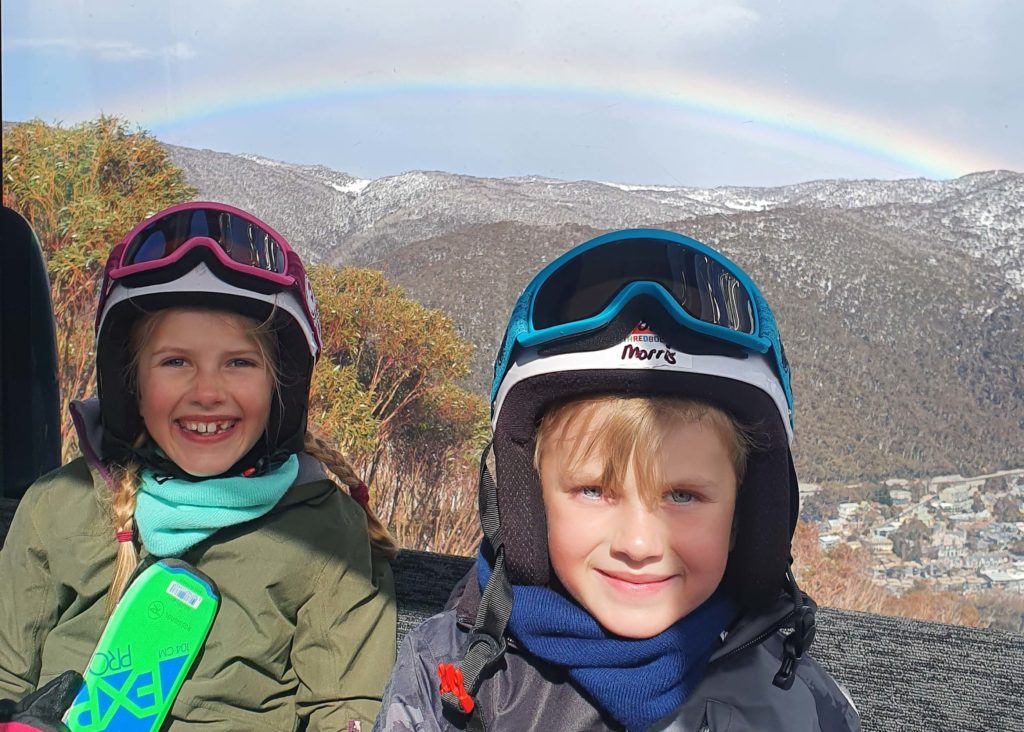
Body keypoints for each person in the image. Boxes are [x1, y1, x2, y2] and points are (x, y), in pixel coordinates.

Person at [375, 229, 860, 731]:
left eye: (682, 495)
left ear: (746, 517)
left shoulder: (799, 705)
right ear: (529, 506)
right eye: (593, 490)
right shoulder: (452, 678)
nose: (638, 543)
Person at [0, 202, 397, 730]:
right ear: (133, 387)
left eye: (239, 362)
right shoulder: (61, 506)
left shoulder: (325, 534)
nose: (208, 392)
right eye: (175, 362)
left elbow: (345, 709)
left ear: (280, 389)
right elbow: (7, 673)